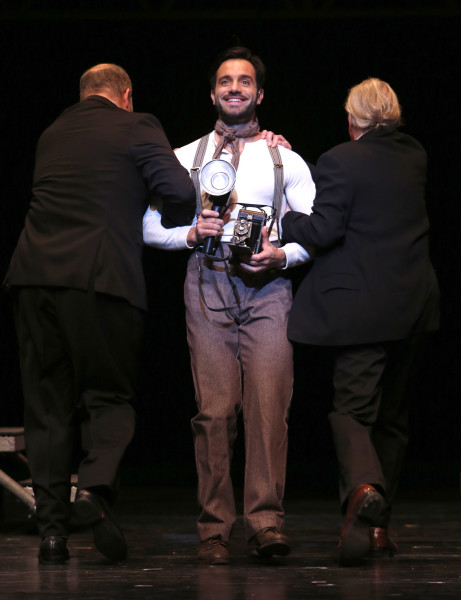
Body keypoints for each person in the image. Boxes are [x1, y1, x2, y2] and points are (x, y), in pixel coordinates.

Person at [3, 63, 196, 564]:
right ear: (125, 95)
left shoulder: (52, 132)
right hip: (99, 280)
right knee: (109, 398)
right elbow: (179, 193)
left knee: (45, 411)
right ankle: (93, 490)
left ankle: (51, 534)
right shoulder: (137, 125)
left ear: (85, 95)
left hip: (33, 278)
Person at [143, 46, 315, 564]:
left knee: (269, 410)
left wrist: (282, 255)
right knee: (214, 413)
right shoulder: (183, 157)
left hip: (268, 291)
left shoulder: (285, 156)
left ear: (259, 94)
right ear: (212, 92)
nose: (234, 88)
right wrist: (191, 233)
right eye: (225, 81)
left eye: (244, 81)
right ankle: (215, 530)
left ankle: (265, 524)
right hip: (207, 284)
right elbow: (149, 226)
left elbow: (314, 228)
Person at [281, 77, 440, 566]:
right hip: (413, 307)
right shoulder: (415, 155)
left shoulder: (340, 159)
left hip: (362, 313)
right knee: (392, 421)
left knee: (351, 413)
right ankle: (377, 529)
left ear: (352, 120)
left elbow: (324, 230)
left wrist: (288, 220)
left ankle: (364, 489)